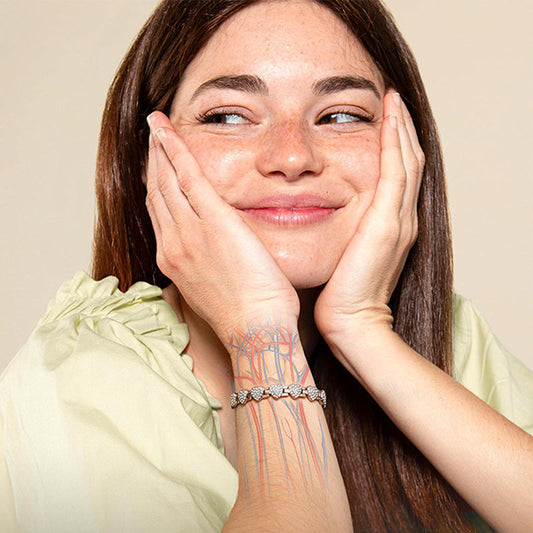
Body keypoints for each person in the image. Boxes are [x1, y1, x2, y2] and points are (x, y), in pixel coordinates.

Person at [1, 0, 532, 531]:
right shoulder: (81, 379)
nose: (293, 157)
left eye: (342, 115)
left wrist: (362, 327)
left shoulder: (452, 338)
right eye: (228, 116)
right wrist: (261, 335)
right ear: (149, 158)